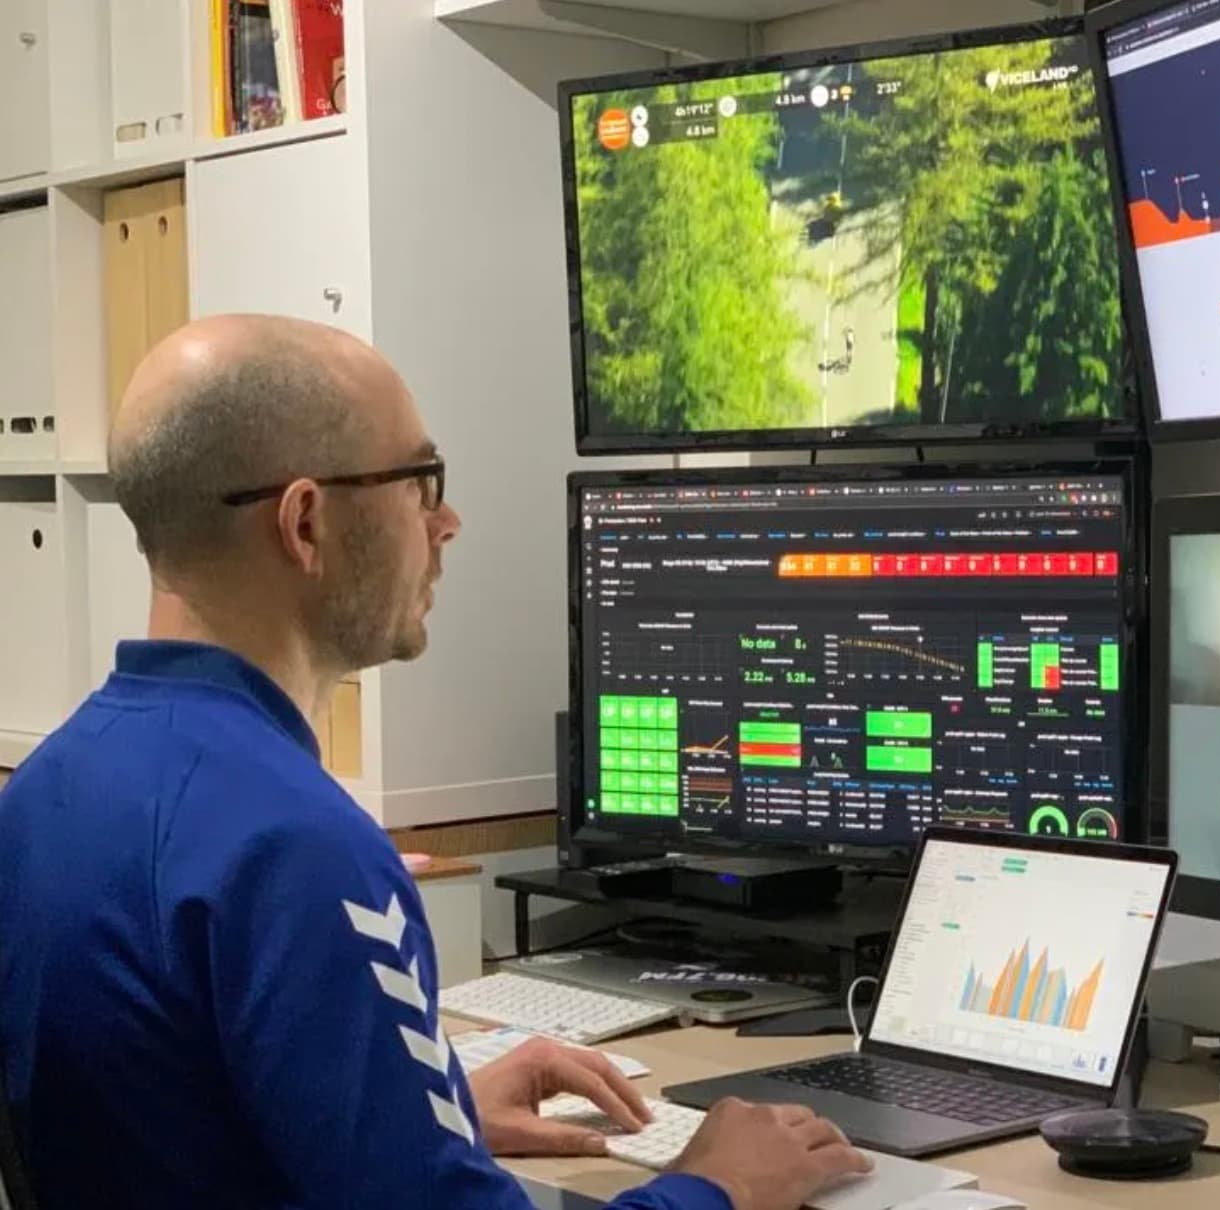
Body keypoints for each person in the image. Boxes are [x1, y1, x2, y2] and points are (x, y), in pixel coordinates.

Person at [0, 316, 868, 1209]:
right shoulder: (296, 844)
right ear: (306, 523)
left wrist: (429, 1114)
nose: (445, 522)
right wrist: (716, 1186)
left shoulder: (50, 789)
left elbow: (176, 1116)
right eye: (420, 483)